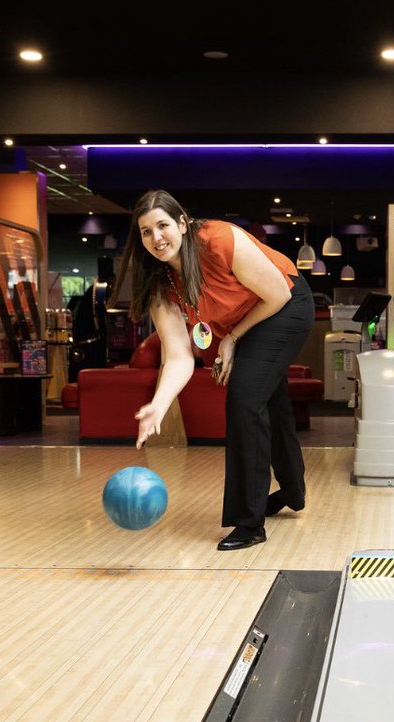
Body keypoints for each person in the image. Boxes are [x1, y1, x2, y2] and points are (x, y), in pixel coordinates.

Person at [125, 190, 313, 551]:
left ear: (182, 223)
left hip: (286, 304)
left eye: (162, 225)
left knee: (244, 400)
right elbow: (178, 355)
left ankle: (248, 522)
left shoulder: (219, 240)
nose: (156, 238)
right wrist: (159, 405)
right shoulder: (159, 283)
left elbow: (278, 296)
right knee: (267, 399)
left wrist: (233, 339)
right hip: (246, 320)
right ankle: (292, 491)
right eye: (146, 232)